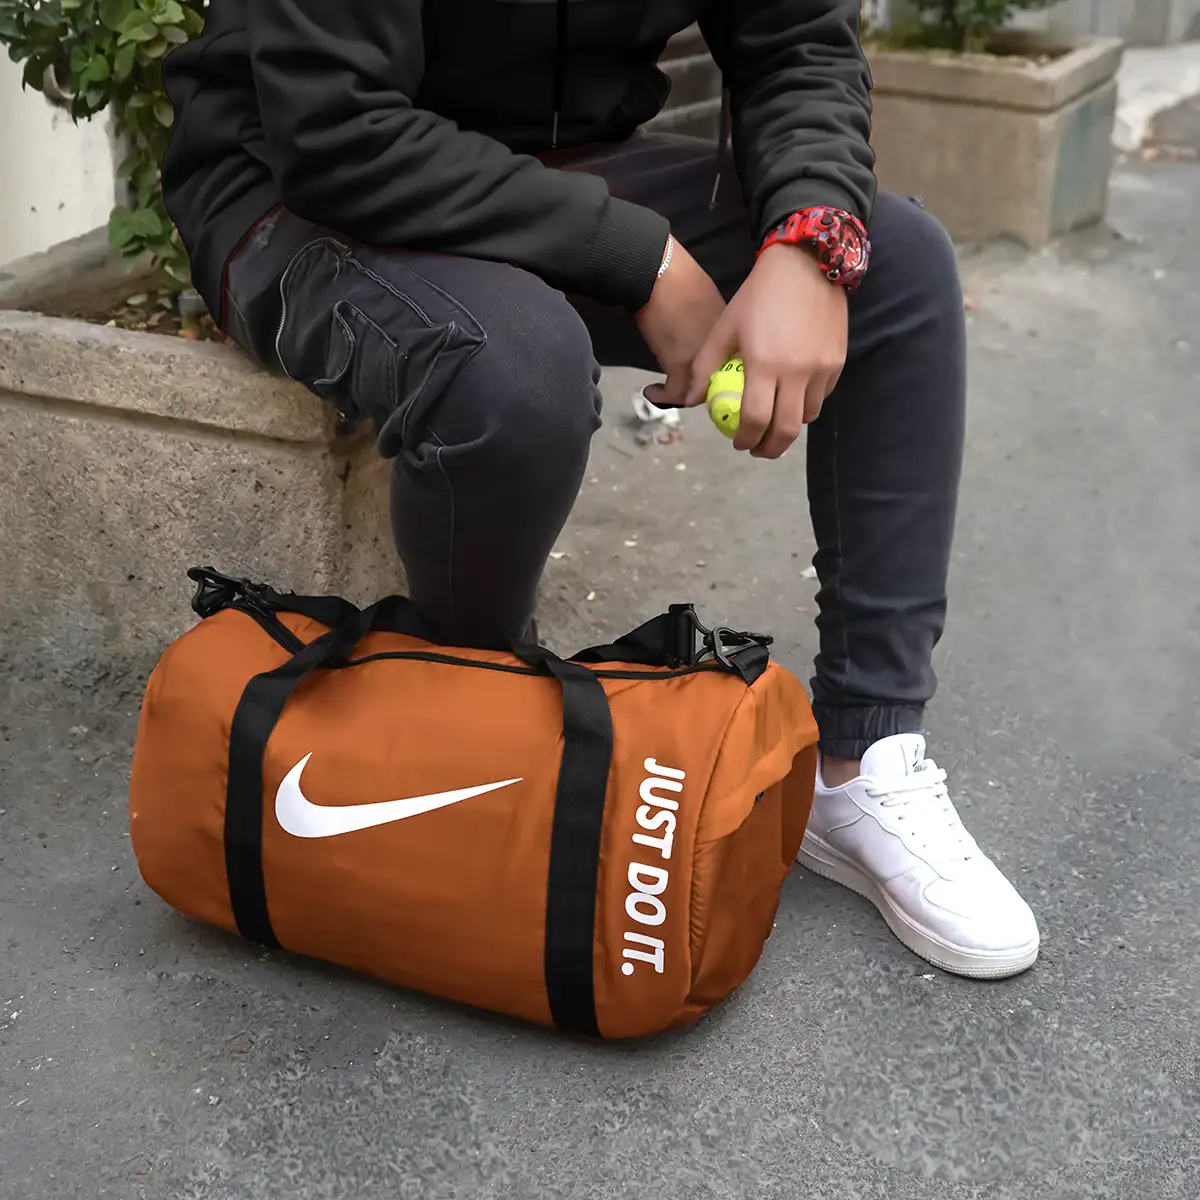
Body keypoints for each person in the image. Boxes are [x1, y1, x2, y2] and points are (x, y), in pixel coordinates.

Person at [160, 0, 1039, 979]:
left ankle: (862, 762)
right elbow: (333, 124)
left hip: (558, 165)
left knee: (898, 265)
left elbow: (796, 40)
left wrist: (809, 242)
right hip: (301, 187)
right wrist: (640, 256)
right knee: (515, 373)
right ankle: (465, 741)